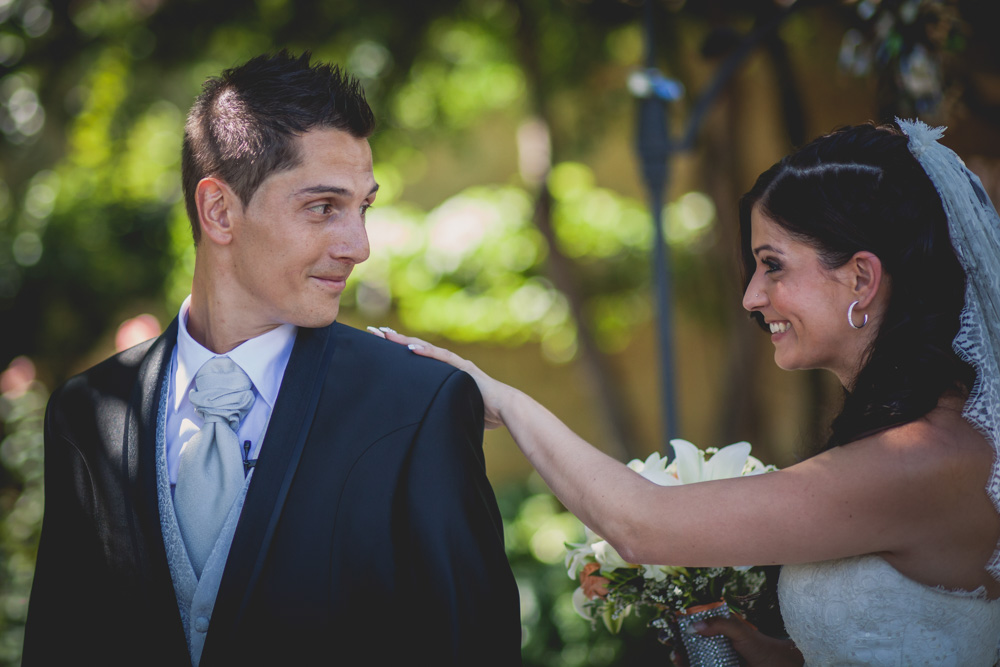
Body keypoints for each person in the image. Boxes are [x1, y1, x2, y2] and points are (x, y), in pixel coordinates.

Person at [377, 120, 1000, 665]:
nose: (753, 296)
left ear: (861, 277)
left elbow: (645, 528)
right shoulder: (906, 443)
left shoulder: (924, 459)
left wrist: (504, 400)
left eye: (773, 265)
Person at [22, 51, 521, 666]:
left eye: (363, 207)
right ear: (219, 211)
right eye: (323, 208)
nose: (358, 246)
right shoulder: (86, 413)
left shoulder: (418, 406)